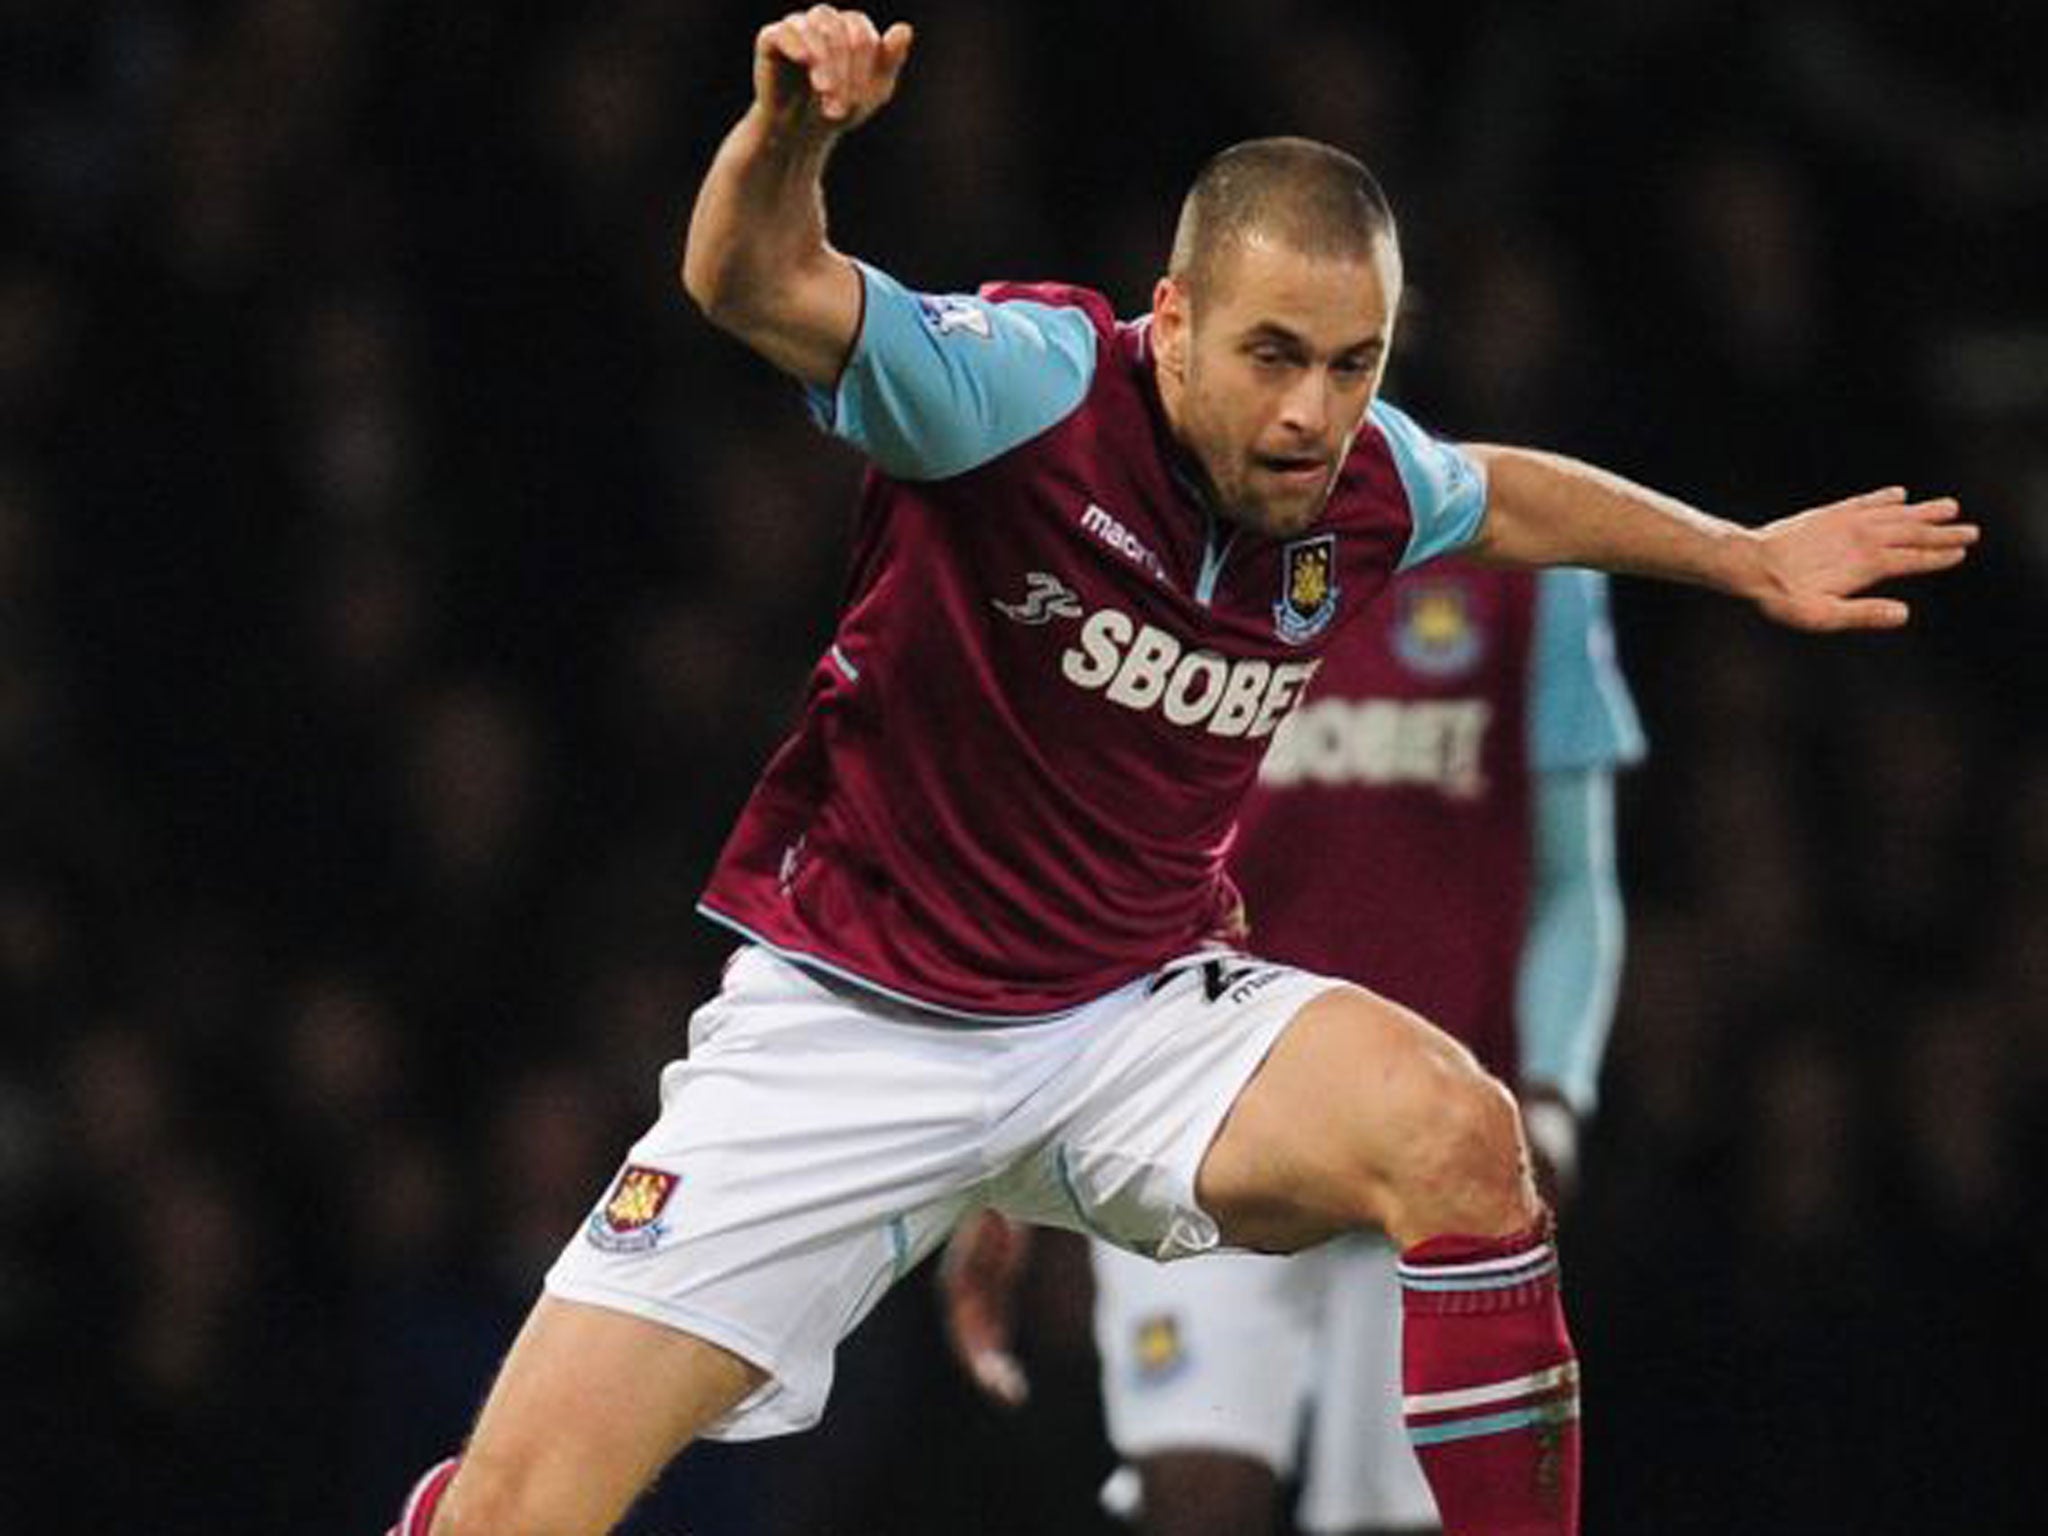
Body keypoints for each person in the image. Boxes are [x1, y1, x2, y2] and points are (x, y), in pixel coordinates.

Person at [386, 10, 1974, 1535]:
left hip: (1130, 1019)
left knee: (1456, 1137)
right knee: (519, 1513)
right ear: (1177, 321)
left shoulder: (1355, 479)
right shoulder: (1021, 394)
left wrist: (1743, 556)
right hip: (857, 1028)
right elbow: (747, 278)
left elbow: (1495, 494)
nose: (1313, 413)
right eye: (1276, 355)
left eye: (1353, 365)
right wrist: (788, 139)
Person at [941, 555, 1644, 1536]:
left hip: (1425, 1155)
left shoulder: (1518, 565)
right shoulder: (1129, 558)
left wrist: (1554, 1098)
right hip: (1202, 1119)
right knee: (1195, 1501)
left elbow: (1575, 881)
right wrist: (1009, 1142)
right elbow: (1070, 884)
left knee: (1405, 1519)